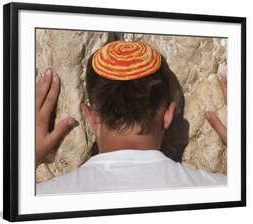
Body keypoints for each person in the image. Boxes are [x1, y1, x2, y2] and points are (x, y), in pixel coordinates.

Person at [36, 40, 227, 194]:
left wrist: (25, 159)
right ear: (168, 115)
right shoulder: (225, 192)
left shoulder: (39, 199)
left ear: (91, 117)